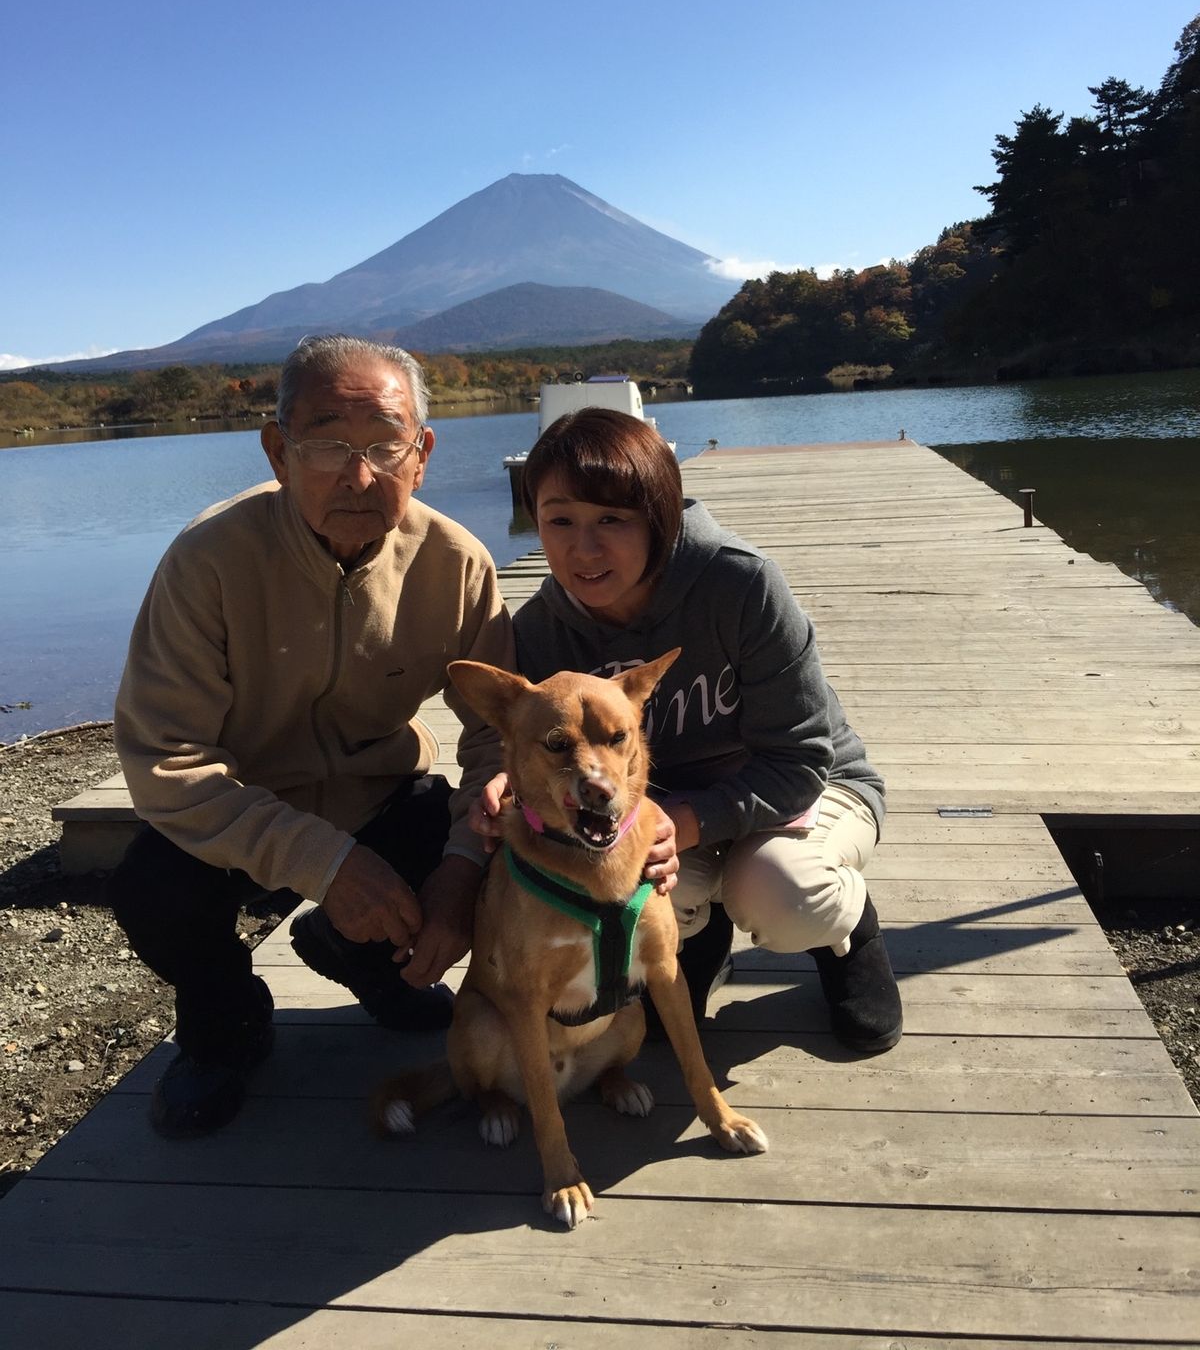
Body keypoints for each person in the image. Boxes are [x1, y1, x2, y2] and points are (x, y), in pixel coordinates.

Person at [110, 335, 513, 1138]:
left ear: (422, 453)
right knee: (153, 890)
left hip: (383, 793)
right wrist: (324, 862)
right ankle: (227, 1030)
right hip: (244, 808)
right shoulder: (209, 561)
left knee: (477, 840)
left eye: (384, 445)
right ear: (279, 451)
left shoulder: (456, 563)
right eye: (327, 445)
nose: (358, 476)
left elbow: (500, 738)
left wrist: (464, 866)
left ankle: (363, 956)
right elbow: (164, 761)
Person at [475, 407, 901, 1053]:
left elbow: (800, 758)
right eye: (560, 520)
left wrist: (688, 821)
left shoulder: (742, 584)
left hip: (803, 788)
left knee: (785, 894)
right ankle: (697, 942)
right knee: (621, 884)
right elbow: (505, 743)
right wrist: (499, 783)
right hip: (657, 814)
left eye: (611, 521)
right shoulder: (538, 633)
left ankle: (851, 936)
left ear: (660, 518)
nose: (583, 549)